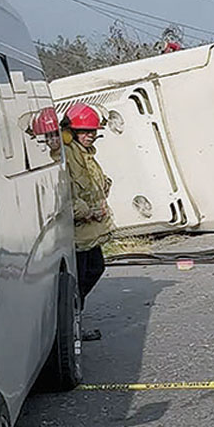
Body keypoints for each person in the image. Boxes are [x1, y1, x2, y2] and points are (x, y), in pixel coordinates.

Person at [63, 102, 115, 340]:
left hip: (89, 232)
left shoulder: (86, 154)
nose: (90, 135)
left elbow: (93, 184)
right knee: (78, 282)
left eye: (93, 131)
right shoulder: (67, 154)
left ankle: (73, 323)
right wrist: (85, 211)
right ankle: (72, 329)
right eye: (84, 131)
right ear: (71, 132)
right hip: (77, 233)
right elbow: (64, 193)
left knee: (94, 269)